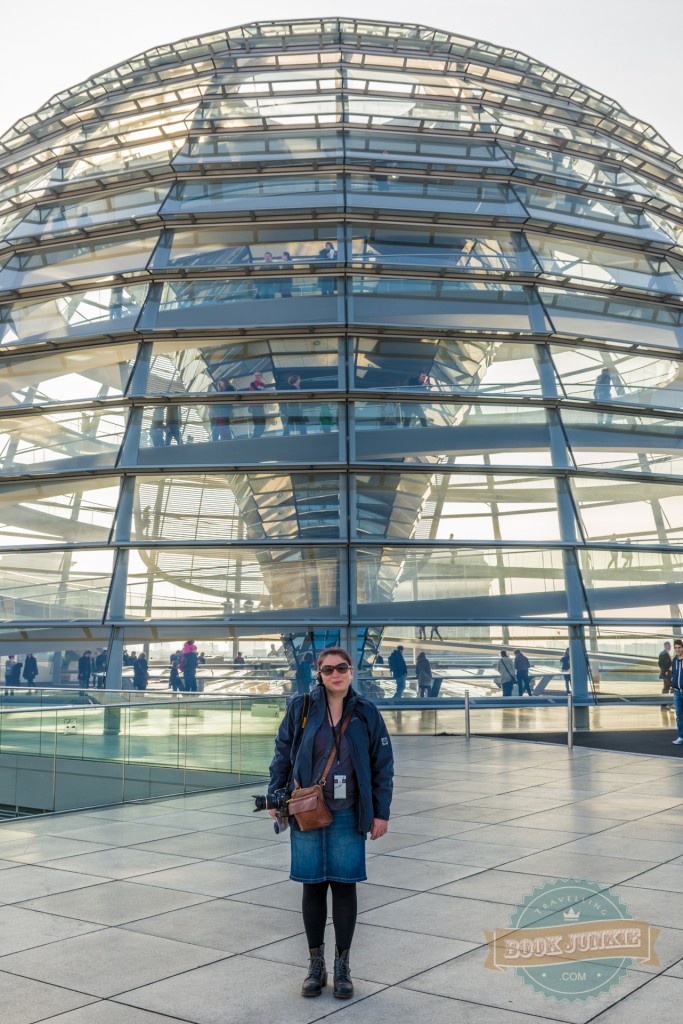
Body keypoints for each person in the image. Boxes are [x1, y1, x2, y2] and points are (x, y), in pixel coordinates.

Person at [267, 646, 393, 999]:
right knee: (312, 886)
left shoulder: (367, 712)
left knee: (344, 886)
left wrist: (380, 812)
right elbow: (283, 751)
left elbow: (383, 765)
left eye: (341, 668)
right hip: (308, 810)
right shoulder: (302, 708)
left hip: (349, 812)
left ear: (352, 671)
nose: (335, 674)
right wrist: (275, 795)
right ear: (319, 675)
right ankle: (315, 964)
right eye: (327, 670)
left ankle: (342, 965)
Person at [248, 370, 268, 438]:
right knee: (258, 423)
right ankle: (255, 438)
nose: (256, 376)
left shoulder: (263, 384)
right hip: (255, 406)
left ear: (261, 376)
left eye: (258, 375)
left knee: (262, 423)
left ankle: (256, 437)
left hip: (261, 406)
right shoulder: (252, 384)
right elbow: (256, 393)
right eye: (255, 375)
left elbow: (264, 394)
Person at [670, 639, 683, 745]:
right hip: (677, 693)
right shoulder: (674, 660)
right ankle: (681, 736)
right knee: (679, 715)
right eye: (676, 647)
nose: (677, 649)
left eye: (679, 647)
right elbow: (674, 673)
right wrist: (672, 682)